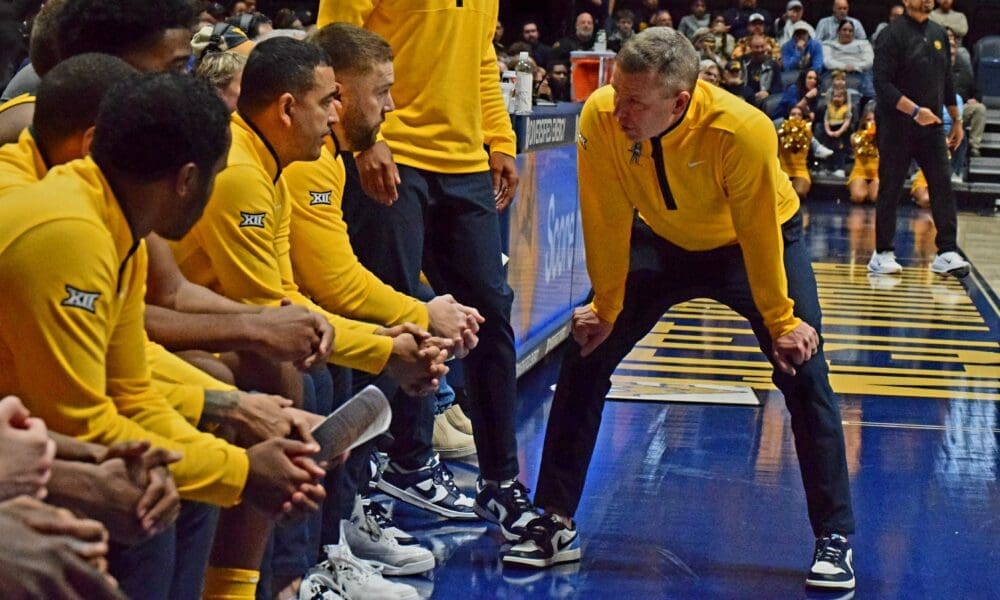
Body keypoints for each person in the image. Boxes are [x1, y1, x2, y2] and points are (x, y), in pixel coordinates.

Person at [501, 28, 856, 593]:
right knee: (588, 350)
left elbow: (760, 233)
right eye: (618, 94)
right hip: (661, 241)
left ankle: (834, 537)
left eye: (635, 102)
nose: (619, 110)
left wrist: (783, 321)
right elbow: (606, 215)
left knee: (804, 370)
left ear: (681, 102)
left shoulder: (741, 130)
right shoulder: (601, 116)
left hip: (747, 242)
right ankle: (553, 519)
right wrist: (606, 305)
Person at [0, 71, 329, 600]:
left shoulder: (110, 222)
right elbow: (83, 426)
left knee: (184, 472)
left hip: (28, 429)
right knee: (148, 499)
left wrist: (238, 452)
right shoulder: (71, 234)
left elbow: (131, 392)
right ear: (187, 179)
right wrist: (243, 471)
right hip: (18, 443)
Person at [318, 0, 539, 543]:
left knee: (488, 314)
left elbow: (482, 57)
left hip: (463, 160)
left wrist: (500, 136)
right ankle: (399, 466)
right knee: (391, 314)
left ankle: (500, 482)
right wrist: (363, 139)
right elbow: (332, 45)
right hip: (393, 151)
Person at [868, 0, 969, 278]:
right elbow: (882, 84)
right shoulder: (891, 34)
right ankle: (882, 253)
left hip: (932, 126)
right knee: (890, 187)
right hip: (896, 125)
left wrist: (957, 119)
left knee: (942, 185)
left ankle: (946, 251)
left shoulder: (938, 33)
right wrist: (914, 111)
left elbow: (946, 80)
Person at [778, 105, 813, 198]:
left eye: (799, 114)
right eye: (793, 114)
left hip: (800, 172)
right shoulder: (780, 133)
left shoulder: (807, 131)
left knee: (799, 193)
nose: (796, 117)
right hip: (783, 172)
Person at [848, 107, 879, 203]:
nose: (872, 122)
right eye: (868, 120)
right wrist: (866, 135)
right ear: (864, 122)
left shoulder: (884, 138)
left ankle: (870, 190)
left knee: (876, 198)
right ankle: (860, 189)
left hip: (877, 174)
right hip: (859, 172)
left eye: (874, 120)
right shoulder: (855, 137)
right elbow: (855, 143)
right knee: (858, 197)